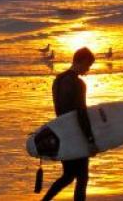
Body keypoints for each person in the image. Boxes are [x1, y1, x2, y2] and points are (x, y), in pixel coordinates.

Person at [42, 47, 98, 201]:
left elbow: (61, 110)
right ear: (81, 61)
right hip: (76, 135)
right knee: (82, 177)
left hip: (62, 133)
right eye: (88, 65)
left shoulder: (58, 80)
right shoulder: (78, 83)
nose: (88, 70)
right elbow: (81, 113)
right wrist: (90, 140)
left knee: (68, 175)